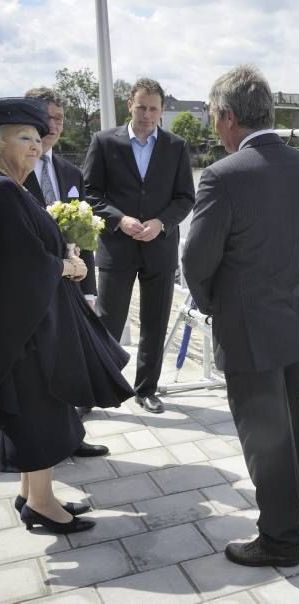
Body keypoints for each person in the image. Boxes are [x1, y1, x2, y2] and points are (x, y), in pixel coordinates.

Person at [182, 65, 299, 567]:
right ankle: (294, 507)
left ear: (227, 117)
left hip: (249, 325)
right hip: (296, 316)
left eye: (211, 117)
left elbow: (195, 260)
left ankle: (280, 539)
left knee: (263, 436)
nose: (211, 127)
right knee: (290, 422)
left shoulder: (224, 177)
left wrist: (210, 303)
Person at [0, 97, 134, 534]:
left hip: (35, 323)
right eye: (25, 138)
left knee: (38, 411)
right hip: (30, 330)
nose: (35, 146)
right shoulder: (3, 191)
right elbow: (20, 264)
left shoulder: (12, 188)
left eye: (39, 139)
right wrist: (65, 266)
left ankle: (33, 493)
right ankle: (40, 504)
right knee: (40, 412)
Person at [82, 78, 195, 414]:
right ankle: (97, 389)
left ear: (161, 111)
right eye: (142, 106)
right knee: (108, 323)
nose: (147, 114)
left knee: (155, 322)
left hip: (159, 248)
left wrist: (162, 223)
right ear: (130, 103)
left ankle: (146, 389)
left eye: (154, 109)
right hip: (118, 247)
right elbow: (90, 193)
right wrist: (120, 219)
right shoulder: (104, 142)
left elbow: (185, 197)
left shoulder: (176, 146)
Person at [23, 87, 109, 459]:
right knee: (33, 372)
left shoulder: (71, 171)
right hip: (29, 287)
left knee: (66, 362)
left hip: (69, 284)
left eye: (59, 118)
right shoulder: (11, 168)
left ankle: (70, 437)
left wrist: (89, 287)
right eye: (47, 117)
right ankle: (30, 449)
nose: (54, 125)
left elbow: (85, 232)